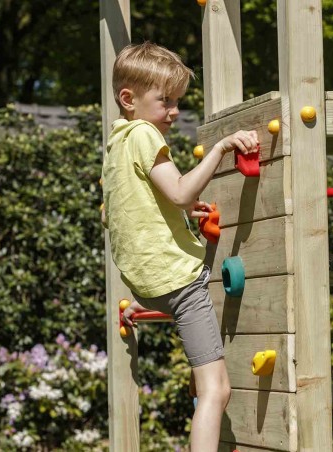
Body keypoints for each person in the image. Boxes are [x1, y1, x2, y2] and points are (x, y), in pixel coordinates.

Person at [101, 41, 258, 451]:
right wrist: (222, 147)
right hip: (179, 280)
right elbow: (182, 194)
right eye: (165, 100)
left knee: (210, 387)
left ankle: (142, 303)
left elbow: (126, 212)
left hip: (146, 281)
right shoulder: (144, 133)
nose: (174, 111)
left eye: (177, 101)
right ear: (128, 99)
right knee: (216, 391)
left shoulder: (115, 144)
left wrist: (184, 219)